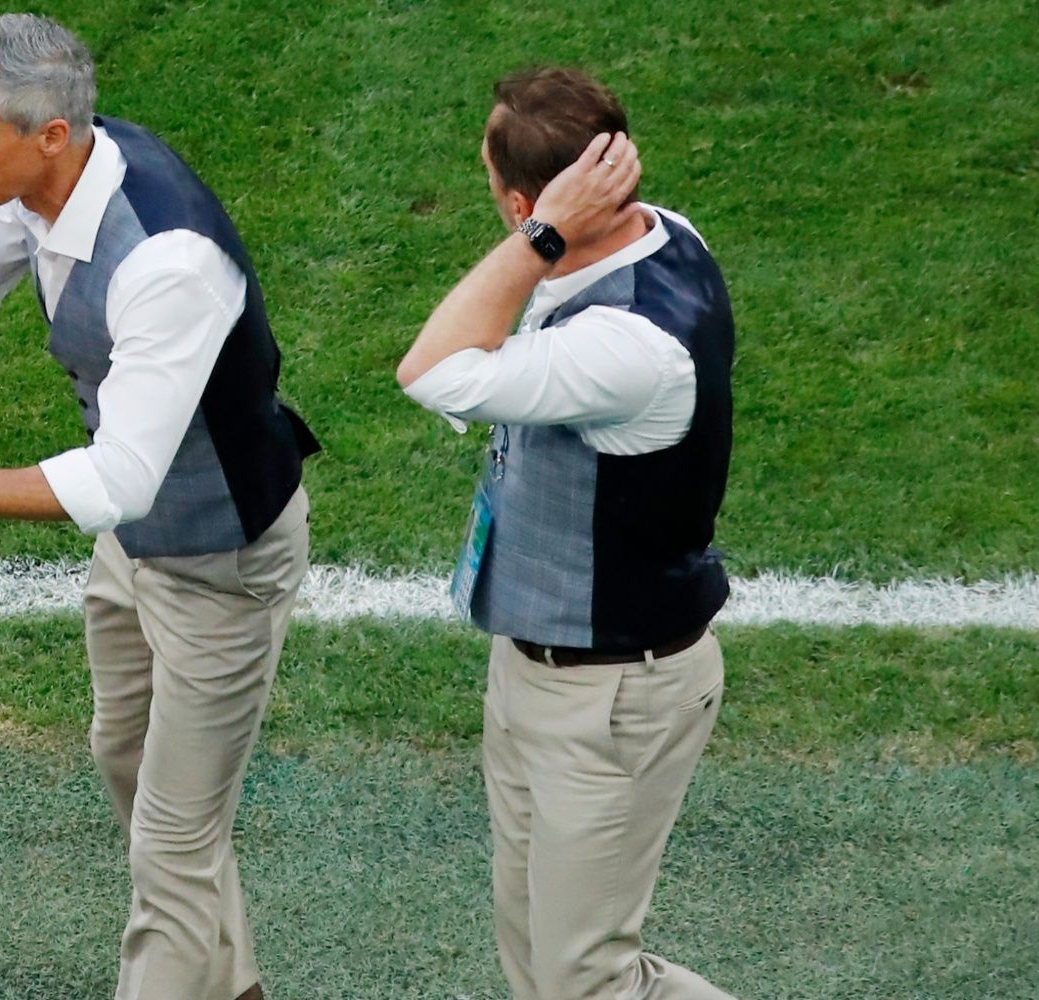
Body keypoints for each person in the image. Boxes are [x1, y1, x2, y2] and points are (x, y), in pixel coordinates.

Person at [0, 14, 317, 1000]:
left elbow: (121, 476)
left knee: (172, 849)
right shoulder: (42, 176)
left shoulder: (162, 260)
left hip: (219, 559)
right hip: (137, 549)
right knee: (123, 756)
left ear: (49, 135)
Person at [395, 67, 738, 1000]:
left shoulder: (626, 345)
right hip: (543, 668)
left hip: (612, 700)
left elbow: (431, 370)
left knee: (589, 978)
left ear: (522, 203)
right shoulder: (659, 232)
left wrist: (535, 235)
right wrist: (547, 233)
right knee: (539, 960)